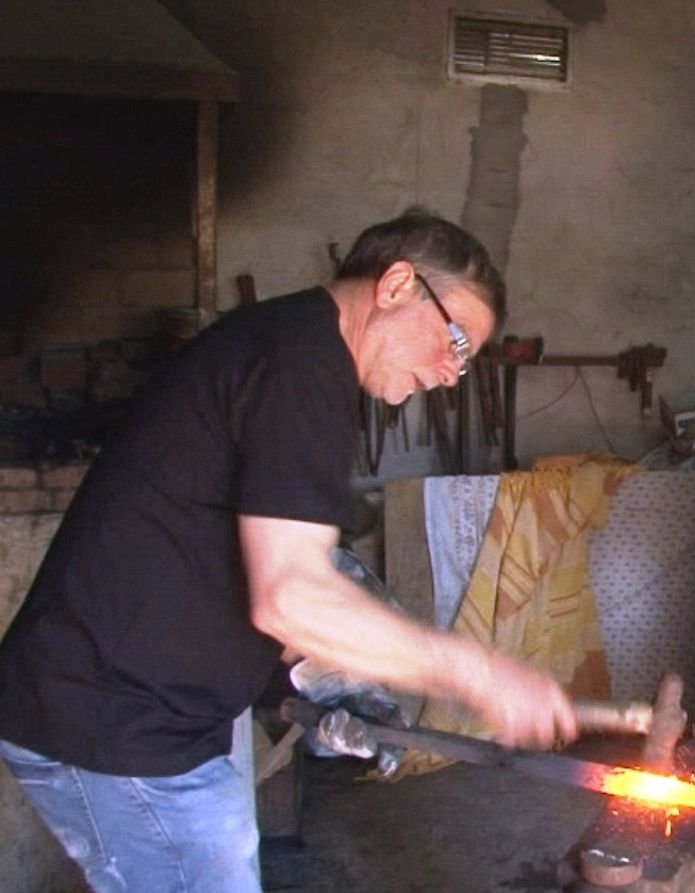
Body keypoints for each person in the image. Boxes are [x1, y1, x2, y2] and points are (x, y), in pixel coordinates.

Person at [0, 209, 579, 892]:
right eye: (455, 340)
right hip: (117, 718)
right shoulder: (299, 364)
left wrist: (311, 683)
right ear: (397, 285)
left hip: (158, 710)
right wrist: (478, 672)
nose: (452, 373)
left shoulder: (290, 348)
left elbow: (230, 560)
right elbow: (291, 595)